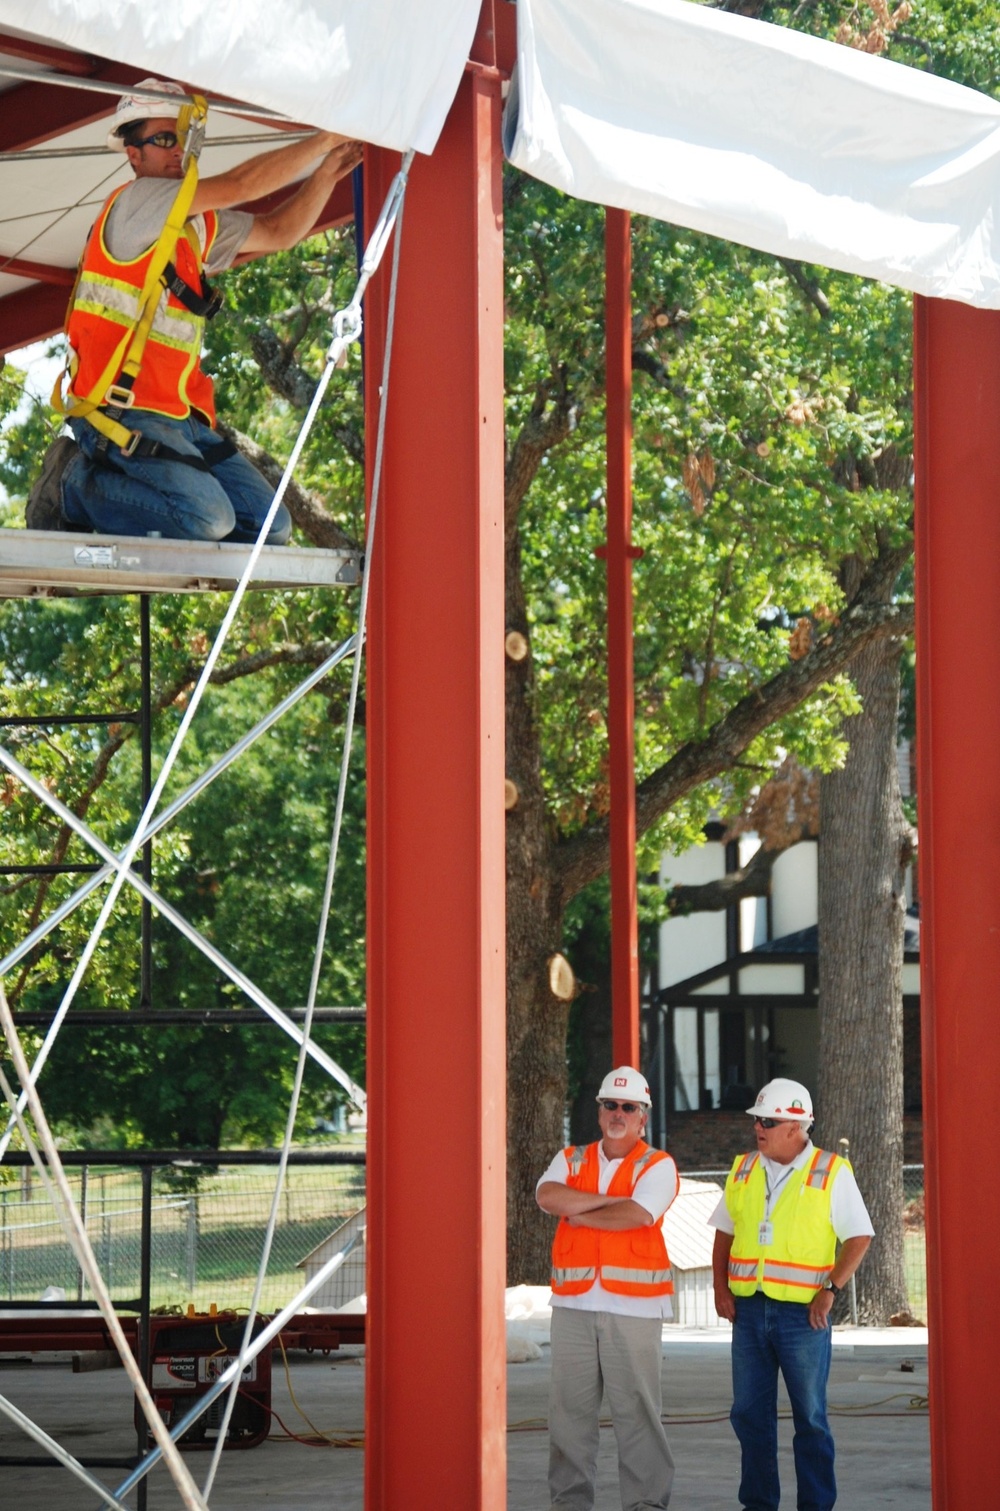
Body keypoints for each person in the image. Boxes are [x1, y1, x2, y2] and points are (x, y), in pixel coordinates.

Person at [28, 79, 361, 542]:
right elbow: (243, 185)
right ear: (133, 154)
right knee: (209, 520)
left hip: (178, 416)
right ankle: (71, 486)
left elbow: (280, 231)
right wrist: (326, 137)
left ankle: (114, 488)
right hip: (116, 413)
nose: (177, 151)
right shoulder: (135, 203)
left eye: (183, 139)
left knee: (272, 528)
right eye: (164, 139)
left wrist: (328, 172)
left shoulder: (195, 224)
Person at [710, 1078, 874, 1511]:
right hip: (748, 1312)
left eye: (768, 1121)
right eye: (757, 1120)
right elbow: (724, 1233)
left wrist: (831, 1289)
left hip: (804, 1317)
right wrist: (719, 1286)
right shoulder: (744, 1168)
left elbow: (859, 1237)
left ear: (797, 1126)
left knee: (811, 1420)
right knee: (749, 1415)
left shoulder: (831, 1171)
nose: (758, 1128)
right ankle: (758, 1504)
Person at [536, 1065, 677, 1511]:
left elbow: (638, 1215)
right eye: (610, 1105)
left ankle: (646, 1505)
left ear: (643, 1117)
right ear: (599, 1111)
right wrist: (614, 1199)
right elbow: (547, 1197)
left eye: (628, 1107)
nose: (618, 1113)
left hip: (634, 1310)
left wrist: (583, 1211)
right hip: (573, 1307)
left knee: (638, 1416)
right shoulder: (571, 1158)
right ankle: (569, 1504)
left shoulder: (658, 1164)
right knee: (568, 1418)